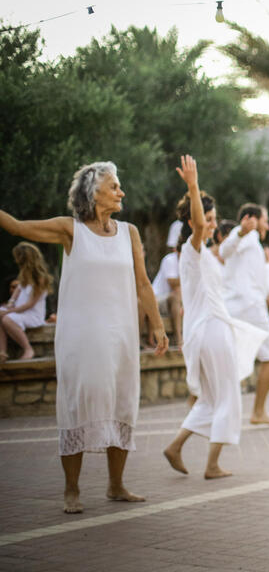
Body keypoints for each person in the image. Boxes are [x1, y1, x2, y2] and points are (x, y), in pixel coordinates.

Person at [0, 161, 169, 513]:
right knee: (79, 402)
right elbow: (16, 227)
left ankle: (116, 485)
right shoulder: (69, 230)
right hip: (82, 334)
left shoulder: (130, 232)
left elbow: (142, 283)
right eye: (114, 187)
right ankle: (72, 490)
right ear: (93, 193)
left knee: (123, 400)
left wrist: (157, 324)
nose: (121, 192)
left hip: (121, 331)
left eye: (120, 186)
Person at [162, 156, 269, 479]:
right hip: (211, 330)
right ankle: (211, 465)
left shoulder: (202, 255)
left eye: (212, 218)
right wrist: (193, 187)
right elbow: (196, 224)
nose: (211, 223)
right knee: (227, 397)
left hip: (205, 330)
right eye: (207, 218)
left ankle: (176, 446)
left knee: (211, 398)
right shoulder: (192, 250)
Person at [219, 203, 269, 425]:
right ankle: (258, 412)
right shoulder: (247, 237)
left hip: (244, 306)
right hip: (249, 308)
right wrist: (240, 231)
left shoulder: (254, 244)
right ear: (252, 219)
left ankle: (200, 403)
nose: (268, 223)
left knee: (230, 358)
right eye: (265, 219)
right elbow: (223, 251)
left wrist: (268, 265)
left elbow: (265, 287)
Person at [0, 242, 52, 361]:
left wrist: (9, 311)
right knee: (1, 313)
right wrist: (10, 303)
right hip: (19, 312)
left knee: (7, 319)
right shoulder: (23, 275)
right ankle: (2, 352)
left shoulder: (40, 278)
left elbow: (30, 304)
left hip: (32, 315)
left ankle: (28, 349)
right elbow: (16, 293)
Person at [147, 229, 182, 347]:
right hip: (158, 298)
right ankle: (179, 339)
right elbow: (173, 284)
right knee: (176, 294)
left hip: (173, 302)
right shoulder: (170, 259)